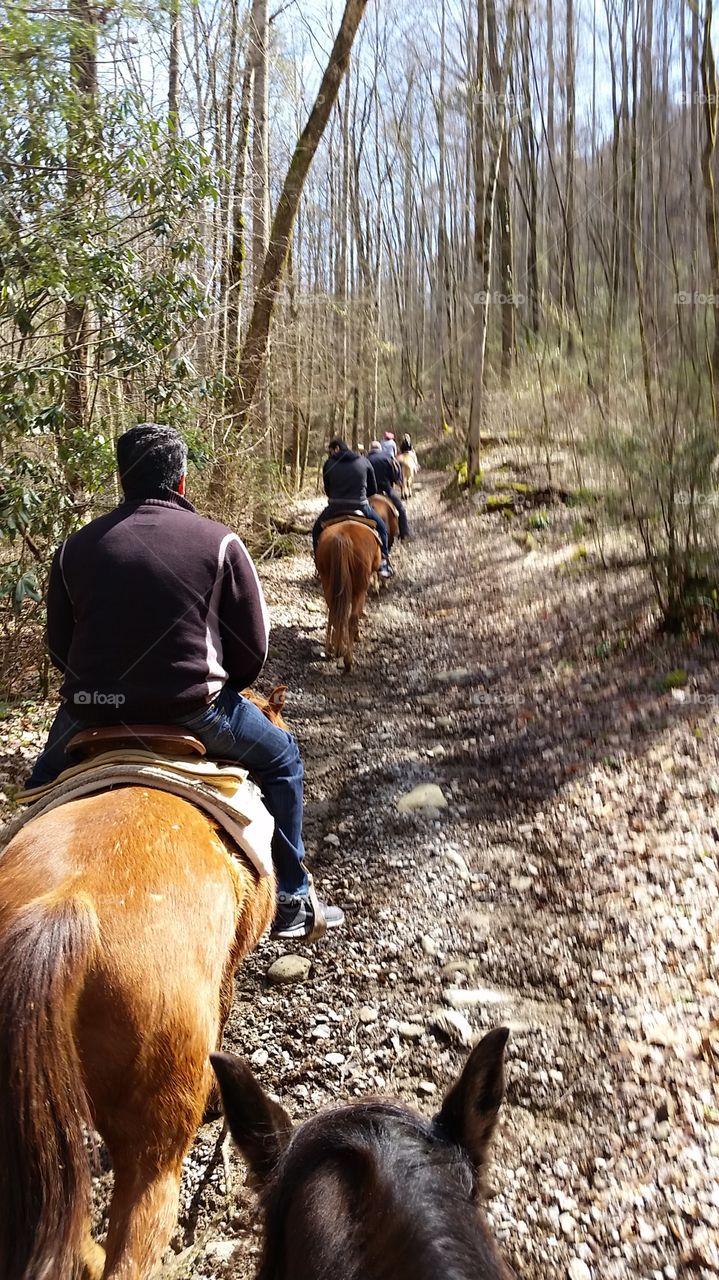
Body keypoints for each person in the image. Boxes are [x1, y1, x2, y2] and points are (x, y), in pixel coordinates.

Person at [25, 423, 343, 941]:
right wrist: (221, 688)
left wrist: (100, 690)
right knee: (283, 757)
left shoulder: (73, 549)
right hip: (195, 712)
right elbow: (252, 650)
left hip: (88, 711)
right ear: (182, 480)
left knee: (34, 797)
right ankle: (291, 898)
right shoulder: (219, 542)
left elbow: (58, 647)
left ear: (122, 479)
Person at [312, 437, 394, 578]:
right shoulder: (364, 461)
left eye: (330, 451)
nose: (330, 454)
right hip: (361, 506)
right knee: (382, 528)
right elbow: (373, 489)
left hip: (334, 507)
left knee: (315, 531)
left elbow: (327, 489)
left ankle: (318, 564)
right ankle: (384, 562)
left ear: (336, 448)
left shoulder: (329, 463)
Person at [367, 439, 412, 542]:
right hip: (386, 489)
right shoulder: (388, 458)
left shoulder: (365, 459)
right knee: (401, 509)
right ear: (380, 449)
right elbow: (396, 473)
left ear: (370, 449)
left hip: (369, 491)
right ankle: (404, 534)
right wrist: (396, 481)